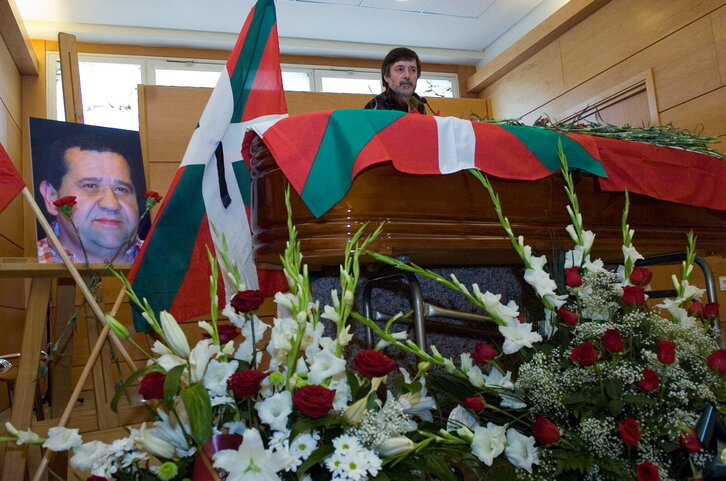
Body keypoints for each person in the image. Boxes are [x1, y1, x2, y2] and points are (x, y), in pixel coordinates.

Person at [37, 136, 142, 264]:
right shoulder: (21, 268)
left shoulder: (163, 261)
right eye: (90, 186)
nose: (111, 204)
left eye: (121, 189)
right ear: (51, 196)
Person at [364, 47, 427, 114]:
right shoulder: (376, 107)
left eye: (412, 70)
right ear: (386, 77)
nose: (407, 75)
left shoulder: (419, 106)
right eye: (400, 69)